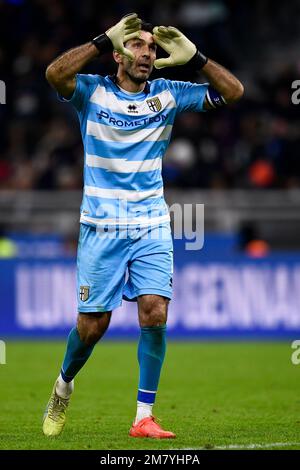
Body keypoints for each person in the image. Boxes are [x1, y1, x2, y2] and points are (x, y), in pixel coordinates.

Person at [43, 13, 243, 439]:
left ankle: (143, 417)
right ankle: (63, 385)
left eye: (152, 48)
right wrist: (100, 40)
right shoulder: (92, 92)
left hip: (151, 222)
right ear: (118, 53)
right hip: (101, 226)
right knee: (92, 326)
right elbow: (54, 73)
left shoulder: (169, 94)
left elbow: (234, 92)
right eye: (137, 45)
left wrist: (198, 59)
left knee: (155, 311)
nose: (147, 53)